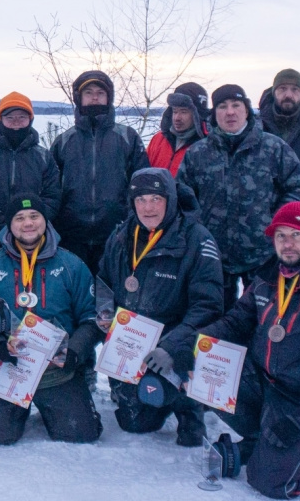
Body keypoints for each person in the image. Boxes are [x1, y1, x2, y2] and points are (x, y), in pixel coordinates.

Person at [178, 202, 300, 499]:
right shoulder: (269, 276)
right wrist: (191, 345)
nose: (288, 243)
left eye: (296, 234)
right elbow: (236, 322)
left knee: (269, 483)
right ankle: (276, 443)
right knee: (202, 374)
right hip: (264, 381)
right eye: (281, 236)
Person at [96, 168, 223, 446]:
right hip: (133, 342)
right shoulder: (120, 236)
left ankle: (190, 405)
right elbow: (103, 282)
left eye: (156, 198)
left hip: (175, 343)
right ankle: (153, 392)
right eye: (140, 200)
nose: (148, 207)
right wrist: (105, 314)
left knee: (181, 414)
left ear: (171, 200)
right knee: (135, 422)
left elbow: (208, 308)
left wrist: (172, 347)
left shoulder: (197, 240)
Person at [0, 194, 104, 445]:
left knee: (81, 434)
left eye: (34, 216)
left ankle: (52, 403)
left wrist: (74, 351)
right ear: (9, 224)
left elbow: (91, 317)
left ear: (45, 220)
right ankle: (5, 407)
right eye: (19, 218)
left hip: (56, 370)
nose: (27, 223)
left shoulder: (71, 265)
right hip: (8, 368)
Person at [178, 85, 300, 312]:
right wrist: (195, 234)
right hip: (213, 256)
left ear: (246, 111)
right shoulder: (197, 153)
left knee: (263, 320)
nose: (230, 112)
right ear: (214, 113)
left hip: (264, 255)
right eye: (222, 106)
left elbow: (298, 190)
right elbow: (183, 199)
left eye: (236, 105)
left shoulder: (274, 148)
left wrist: (277, 225)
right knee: (214, 321)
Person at [51, 71, 149, 273]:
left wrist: (130, 222)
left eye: (100, 92)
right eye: (88, 92)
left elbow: (142, 185)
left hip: (117, 235)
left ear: (109, 97)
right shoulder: (64, 141)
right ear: (79, 98)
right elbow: (51, 189)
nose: (94, 97)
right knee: (75, 296)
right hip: (71, 237)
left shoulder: (127, 137)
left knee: (113, 295)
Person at [0, 91, 62, 274]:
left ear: (30, 119)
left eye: (22, 117)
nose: (16, 122)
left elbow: (53, 196)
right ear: (0, 120)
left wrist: (32, 221)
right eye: (10, 117)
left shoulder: (43, 156)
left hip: (31, 238)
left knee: (29, 289)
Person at [146, 82, 210, 175]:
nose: (177, 118)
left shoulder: (209, 146)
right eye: (175, 111)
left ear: (197, 115)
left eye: (184, 112)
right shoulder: (158, 140)